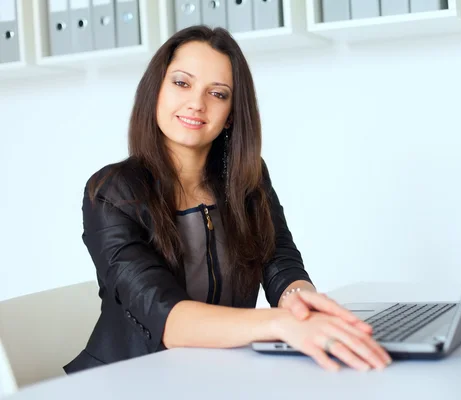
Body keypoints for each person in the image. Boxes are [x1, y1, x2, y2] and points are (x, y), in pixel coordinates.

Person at [64, 26, 391, 374]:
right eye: (181, 83)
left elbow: (278, 258)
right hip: (125, 379)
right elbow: (167, 318)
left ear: (232, 113)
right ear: (155, 91)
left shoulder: (247, 176)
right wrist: (280, 324)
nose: (196, 103)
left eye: (217, 93)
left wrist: (299, 302)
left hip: (217, 374)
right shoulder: (112, 192)